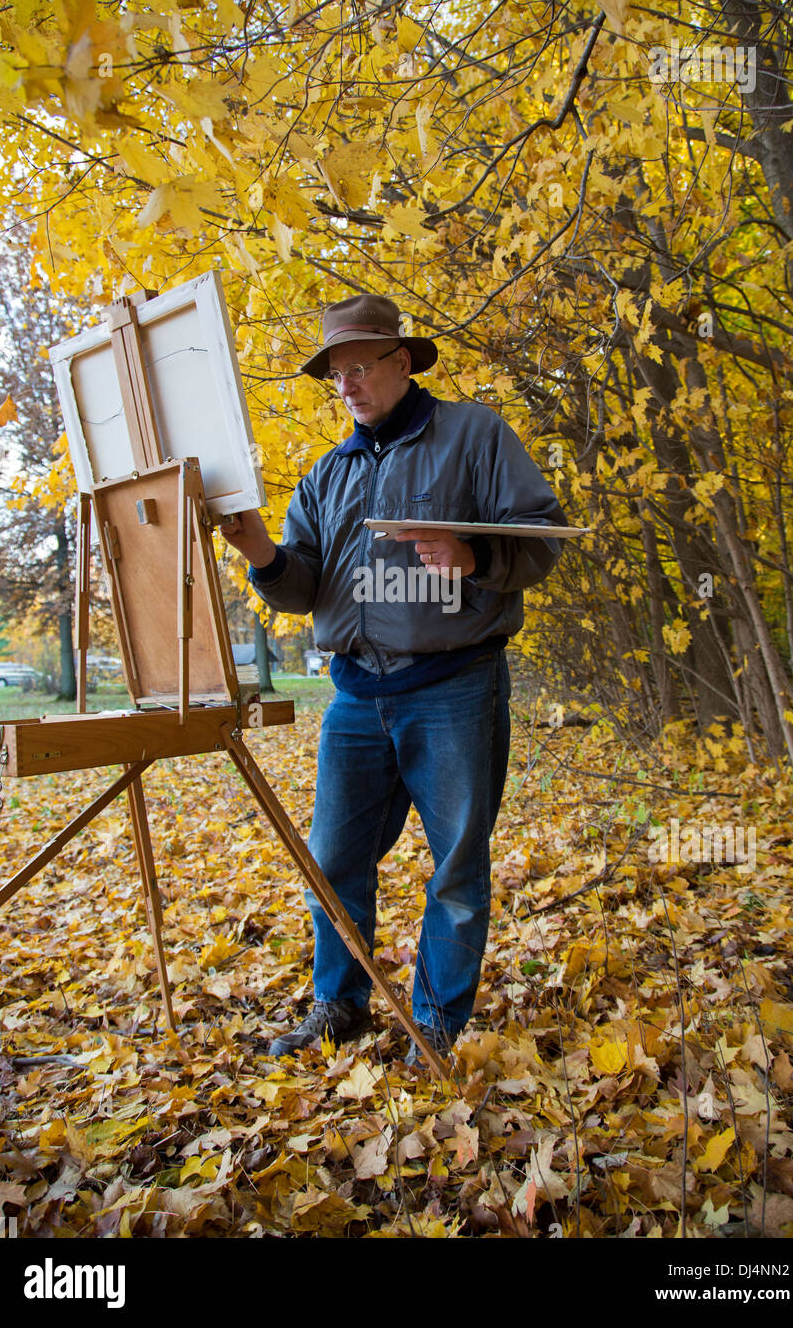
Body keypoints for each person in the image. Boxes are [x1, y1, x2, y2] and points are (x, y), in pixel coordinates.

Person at [220, 294, 567, 1066]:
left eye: (358, 367)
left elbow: (543, 537)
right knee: (332, 860)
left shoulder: (475, 435)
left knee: (455, 869)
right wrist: (262, 554)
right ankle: (339, 1006)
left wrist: (474, 557)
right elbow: (303, 585)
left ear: (401, 362)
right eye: (335, 373)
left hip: (454, 687)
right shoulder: (327, 473)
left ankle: (436, 1027)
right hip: (353, 698)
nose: (345, 384)